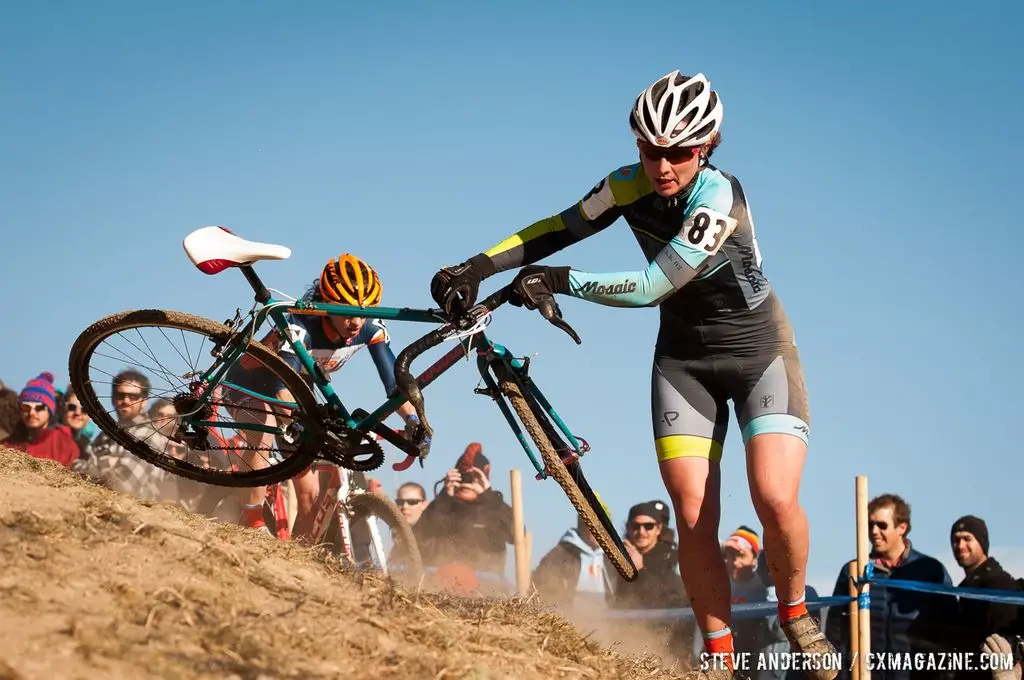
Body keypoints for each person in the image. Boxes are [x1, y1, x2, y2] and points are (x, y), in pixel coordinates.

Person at [428, 70, 833, 680]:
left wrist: (560, 280)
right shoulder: (626, 185)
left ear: (707, 149)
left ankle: (797, 612)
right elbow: (559, 228)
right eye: (650, 150)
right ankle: (718, 657)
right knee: (695, 513)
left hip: (760, 355)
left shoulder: (718, 197)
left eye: (678, 152)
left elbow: (652, 286)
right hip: (684, 362)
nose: (663, 165)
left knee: (773, 498)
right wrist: (477, 266)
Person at [223, 254, 427, 539]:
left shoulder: (370, 327)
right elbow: (282, 388)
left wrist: (414, 420)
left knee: (310, 495)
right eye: (346, 312)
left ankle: (297, 560)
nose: (356, 321)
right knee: (265, 428)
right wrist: (300, 423)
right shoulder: (301, 325)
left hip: (295, 392)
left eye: (363, 312)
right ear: (327, 305)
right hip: (249, 385)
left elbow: (394, 384)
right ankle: (251, 523)